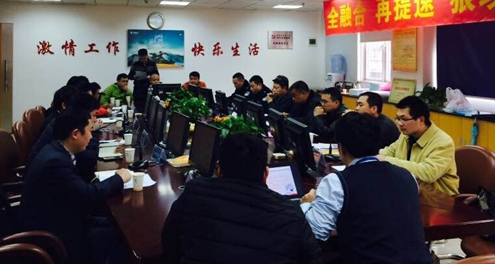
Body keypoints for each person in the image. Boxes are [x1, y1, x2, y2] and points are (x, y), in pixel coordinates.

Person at [161, 132, 321, 263]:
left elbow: (169, 242)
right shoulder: (292, 214)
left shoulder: (194, 193)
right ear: (266, 174)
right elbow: (312, 259)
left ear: (219, 170)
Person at [300, 112, 432, 264]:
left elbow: (316, 233)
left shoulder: (336, 182)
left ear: (341, 148)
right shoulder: (408, 176)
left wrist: (307, 204)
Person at [21, 108, 131, 263]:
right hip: (56, 234)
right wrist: (119, 179)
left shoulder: (57, 150)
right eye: (89, 131)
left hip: (65, 217)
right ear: (75, 134)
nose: (91, 136)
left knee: (118, 225)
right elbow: (88, 195)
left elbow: (78, 190)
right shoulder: (56, 162)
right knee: (123, 239)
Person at [378, 96, 459, 196]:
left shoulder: (443, 142)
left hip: (439, 198)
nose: (399, 123)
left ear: (420, 119)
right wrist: (371, 155)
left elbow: (427, 173)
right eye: (397, 118)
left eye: (404, 119)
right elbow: (388, 151)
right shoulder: (406, 136)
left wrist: (386, 160)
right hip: (411, 191)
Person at [26, 93, 101, 181]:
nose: (95, 120)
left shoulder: (63, 122)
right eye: (94, 115)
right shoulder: (64, 127)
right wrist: (93, 129)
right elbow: (88, 159)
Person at [128, 48, 159, 113]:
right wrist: (134, 77)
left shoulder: (152, 64)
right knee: (138, 107)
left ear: (147, 56)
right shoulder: (135, 64)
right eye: (141, 59)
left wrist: (151, 77)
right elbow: (130, 76)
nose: (143, 60)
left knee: (150, 107)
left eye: (144, 58)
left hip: (149, 87)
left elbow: (157, 75)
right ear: (139, 57)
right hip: (138, 88)